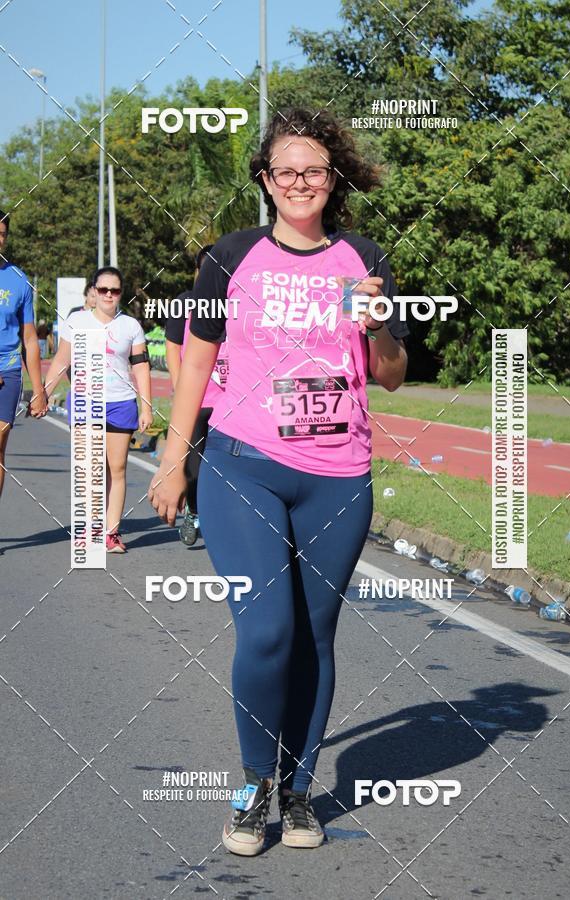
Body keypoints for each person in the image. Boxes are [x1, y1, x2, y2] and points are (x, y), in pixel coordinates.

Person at [148, 108, 408, 855]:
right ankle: (253, 781)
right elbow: (195, 365)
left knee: (313, 639)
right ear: (266, 179)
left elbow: (391, 378)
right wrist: (173, 463)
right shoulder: (227, 257)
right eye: (285, 170)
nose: (300, 182)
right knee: (267, 630)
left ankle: (298, 791)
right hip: (242, 466)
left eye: (314, 171)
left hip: (338, 476)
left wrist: (378, 327)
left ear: (333, 181)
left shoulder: (364, 257)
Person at [45, 266, 152, 552]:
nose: (108, 295)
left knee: (116, 469)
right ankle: (90, 529)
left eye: (114, 290)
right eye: (102, 289)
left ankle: (111, 532)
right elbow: (60, 362)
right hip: (85, 401)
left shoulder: (130, 326)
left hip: (120, 404)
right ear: (93, 290)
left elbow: (141, 368)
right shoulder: (77, 321)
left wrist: (146, 407)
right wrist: (44, 394)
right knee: (90, 469)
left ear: (120, 294)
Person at [165, 244, 230, 546]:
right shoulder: (185, 303)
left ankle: (225, 519)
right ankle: (193, 511)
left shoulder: (238, 303)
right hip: (198, 400)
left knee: (228, 463)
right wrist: (181, 391)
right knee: (193, 466)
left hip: (231, 400)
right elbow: (172, 347)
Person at [0, 209, 47, 502]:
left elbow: (30, 339)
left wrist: (39, 390)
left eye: (2, 234)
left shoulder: (18, 279)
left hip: (8, 370)